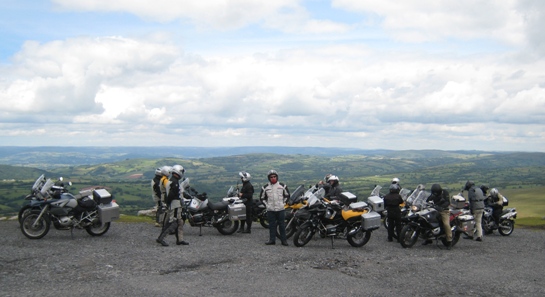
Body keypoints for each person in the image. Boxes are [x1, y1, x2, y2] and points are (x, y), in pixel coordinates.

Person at [156, 164, 189, 246]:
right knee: (173, 222)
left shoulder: (173, 180)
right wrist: (168, 204)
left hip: (176, 205)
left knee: (179, 222)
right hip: (175, 205)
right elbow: (171, 195)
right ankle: (161, 238)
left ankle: (180, 240)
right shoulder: (174, 182)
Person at [260, 170, 290, 246]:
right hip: (271, 210)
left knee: (282, 225)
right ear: (269, 178)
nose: (273, 178)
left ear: (277, 177)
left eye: (274, 176)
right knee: (271, 225)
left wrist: (283, 204)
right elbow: (262, 198)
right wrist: (267, 205)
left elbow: (287, 195)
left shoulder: (283, 186)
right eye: (271, 177)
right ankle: (272, 240)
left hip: (280, 209)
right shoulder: (265, 187)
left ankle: (284, 241)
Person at [425, 184, 453, 249]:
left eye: (436, 193)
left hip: (444, 211)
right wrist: (425, 203)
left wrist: (442, 207)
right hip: (434, 210)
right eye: (434, 193)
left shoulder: (445, 192)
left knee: (446, 224)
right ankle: (428, 238)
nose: (435, 194)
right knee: (426, 220)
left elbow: (447, 202)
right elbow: (428, 199)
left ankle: (449, 240)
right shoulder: (433, 194)